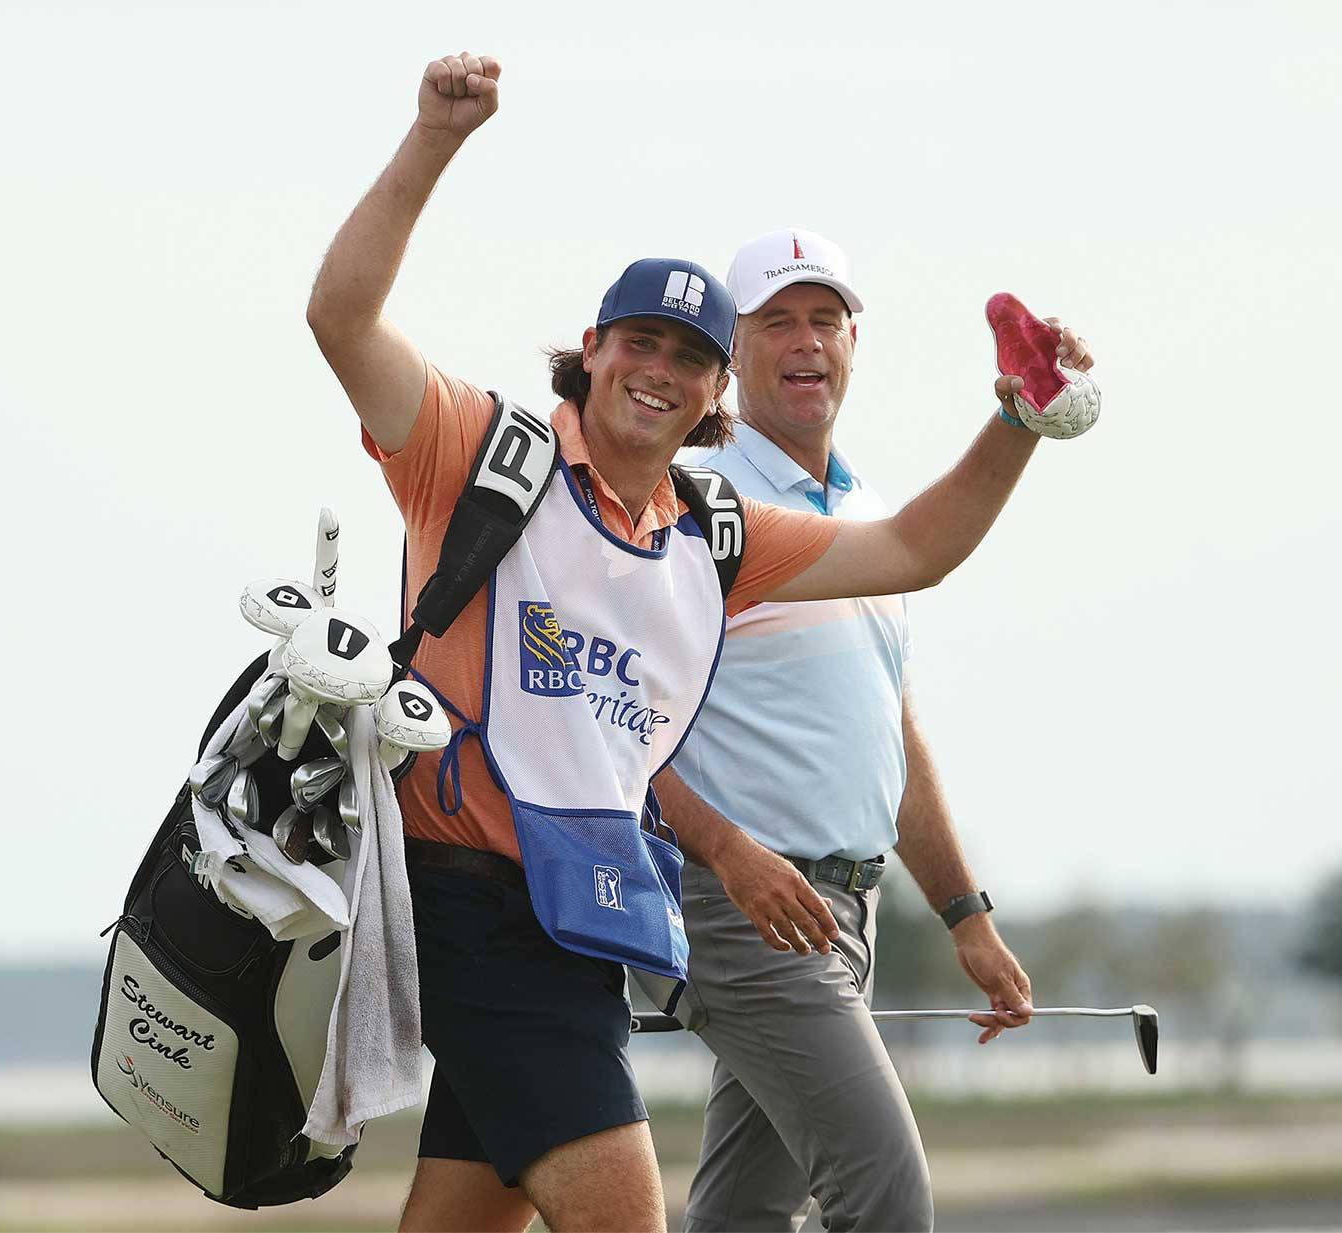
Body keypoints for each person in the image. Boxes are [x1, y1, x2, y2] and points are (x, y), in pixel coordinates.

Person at [306, 53, 1088, 1233]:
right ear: (592, 346)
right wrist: (434, 137)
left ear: (714, 387)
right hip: (463, 898)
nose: (657, 372)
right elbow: (341, 317)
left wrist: (1018, 418)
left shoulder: (709, 531)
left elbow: (917, 548)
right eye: (638, 344)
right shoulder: (479, 450)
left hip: (584, 914)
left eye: (686, 357)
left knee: (463, 1220)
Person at [647, 228, 1091, 1232]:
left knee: (743, 1215)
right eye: (775, 322)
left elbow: (885, 733)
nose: (805, 342)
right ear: (729, 357)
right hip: (741, 909)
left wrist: (964, 915)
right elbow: (613, 719)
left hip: (845, 912)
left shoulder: (865, 507)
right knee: (883, 1194)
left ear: (852, 343)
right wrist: (720, 857)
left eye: (824, 320)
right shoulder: (694, 503)